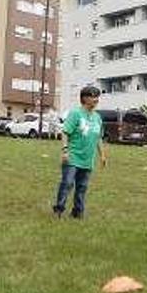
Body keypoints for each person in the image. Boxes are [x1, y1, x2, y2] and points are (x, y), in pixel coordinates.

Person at [53, 86, 106, 219]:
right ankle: (59, 209)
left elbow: (98, 137)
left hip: (87, 159)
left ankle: (77, 212)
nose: (96, 99)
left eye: (97, 97)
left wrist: (102, 155)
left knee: (82, 187)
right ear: (84, 98)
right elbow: (65, 132)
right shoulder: (75, 113)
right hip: (73, 156)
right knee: (67, 183)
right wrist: (65, 151)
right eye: (93, 96)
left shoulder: (97, 117)